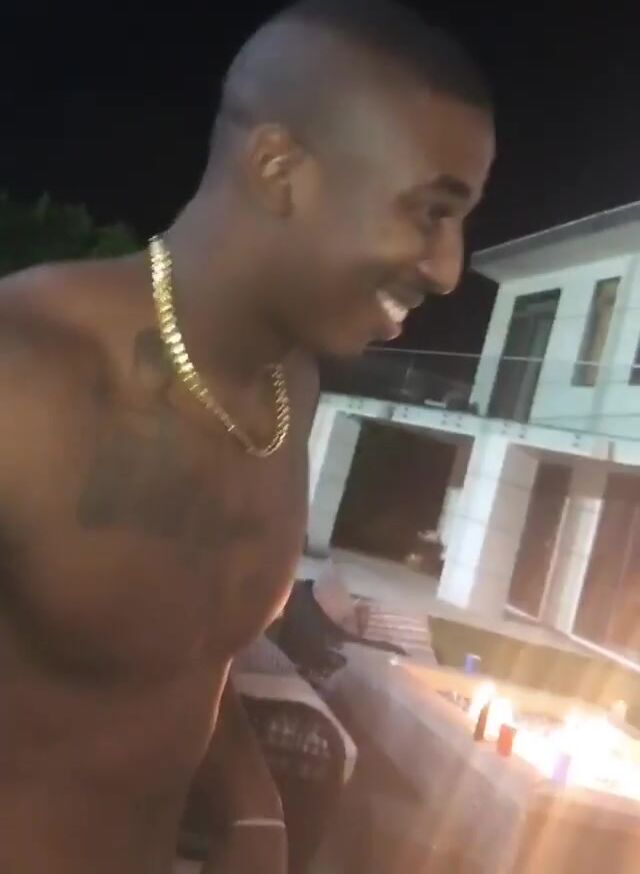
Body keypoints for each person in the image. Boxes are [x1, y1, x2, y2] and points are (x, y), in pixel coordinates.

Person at [0, 0, 494, 871]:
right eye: (430, 212)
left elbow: (170, 644)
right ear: (279, 170)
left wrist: (251, 805)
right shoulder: (26, 373)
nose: (450, 269)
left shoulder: (287, 387)